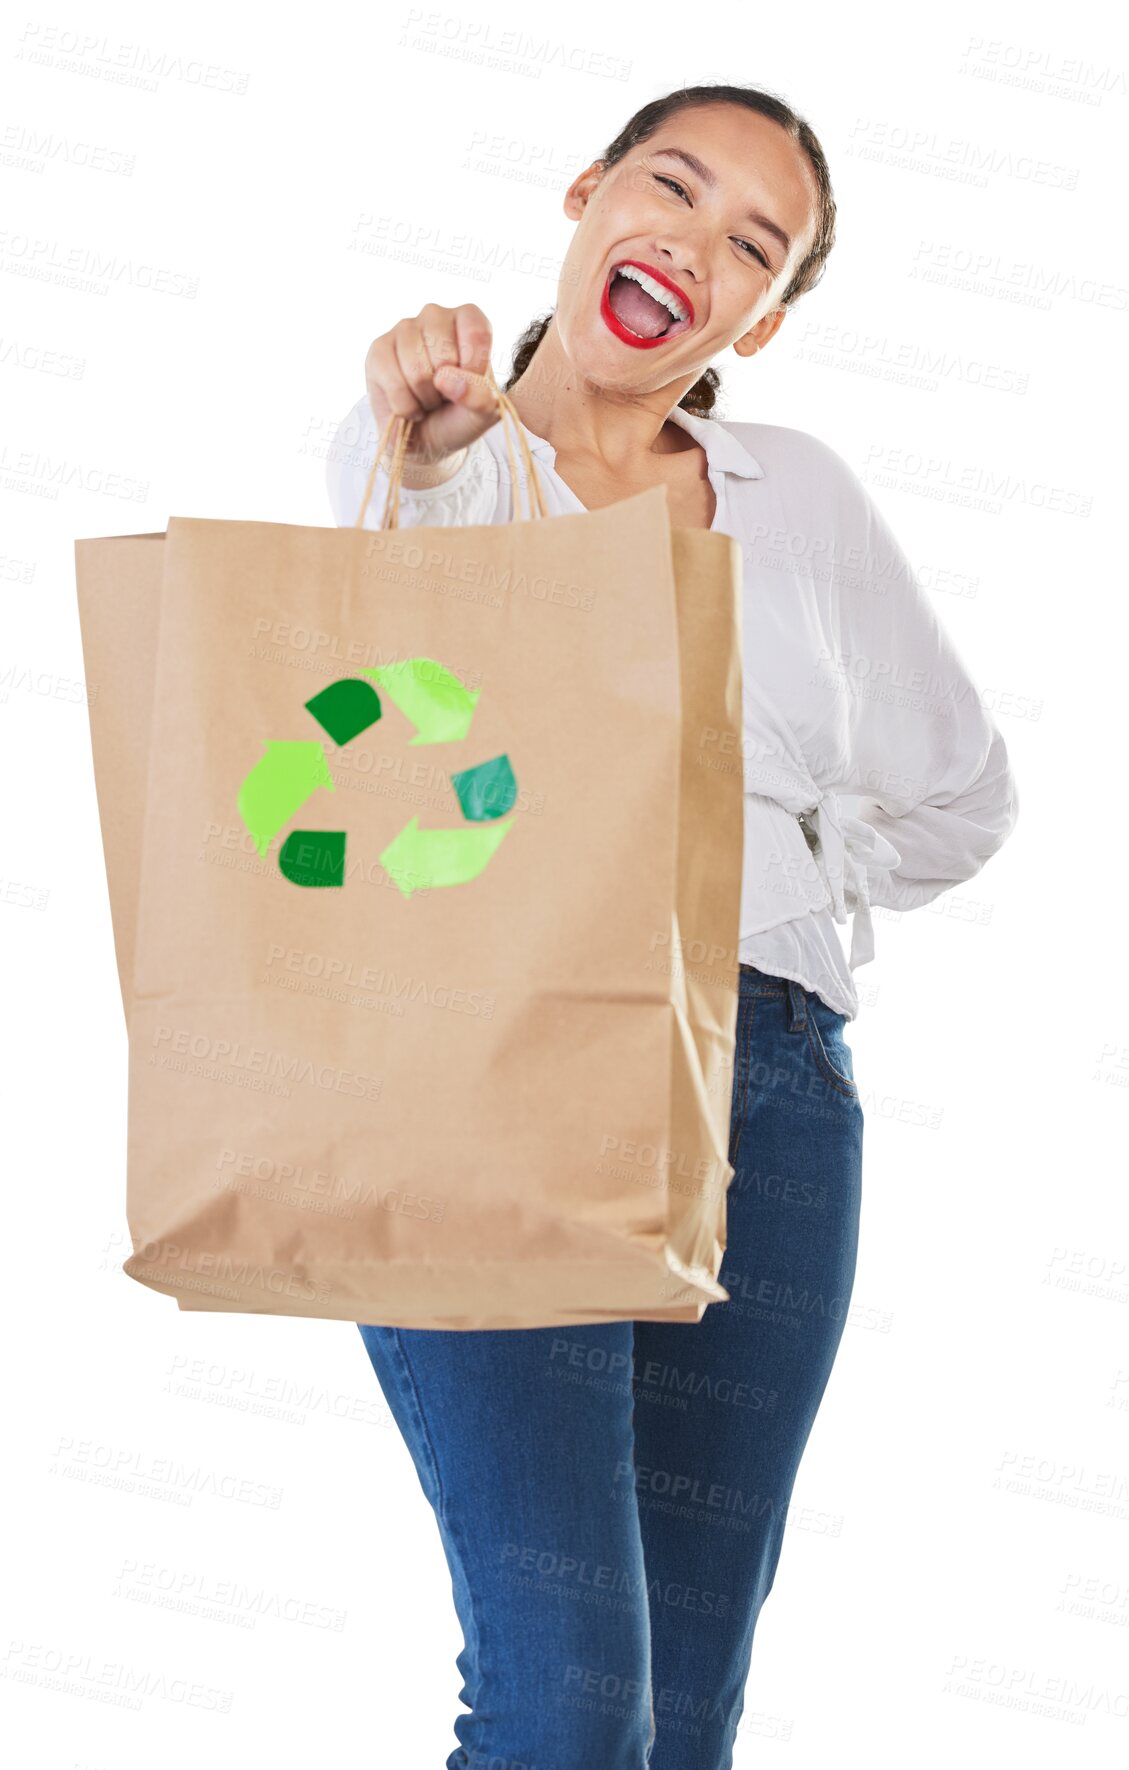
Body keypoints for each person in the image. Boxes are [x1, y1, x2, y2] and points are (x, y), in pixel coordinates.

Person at [325, 82, 1019, 1770]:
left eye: (750, 245)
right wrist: (426, 448)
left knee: (682, 1717)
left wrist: (775, 852)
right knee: (568, 1702)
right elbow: (406, 643)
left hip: (769, 1096)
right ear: (584, 192)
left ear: (759, 323)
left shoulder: (803, 498)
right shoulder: (433, 450)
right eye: (673, 187)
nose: (695, 246)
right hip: (495, 1077)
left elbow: (961, 797)